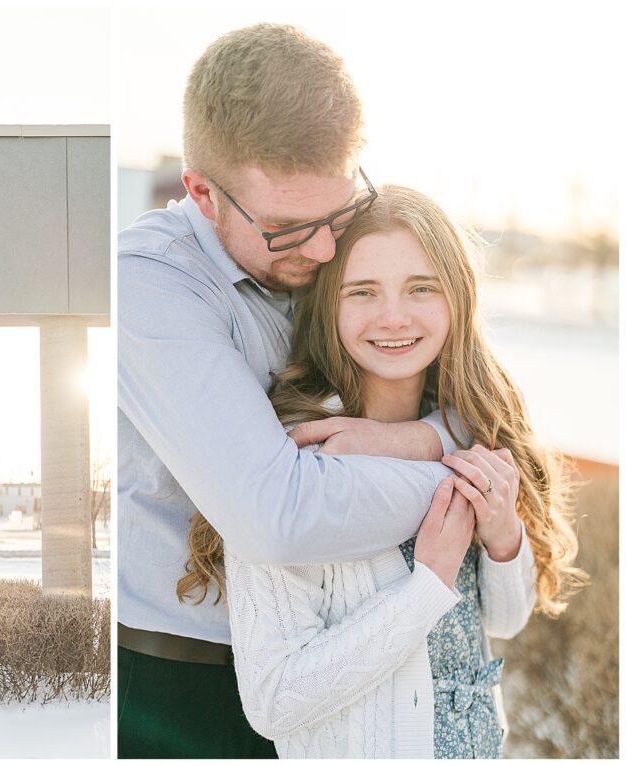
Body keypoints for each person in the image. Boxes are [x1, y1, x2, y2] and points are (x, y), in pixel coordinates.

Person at [118, 24, 474, 758]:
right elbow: (277, 518)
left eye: (337, 214)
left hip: (355, 659)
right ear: (201, 193)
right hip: (184, 681)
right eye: (286, 229)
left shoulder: (330, 238)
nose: (322, 249)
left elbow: (471, 382)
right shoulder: (149, 287)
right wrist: (469, 482)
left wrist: (421, 435)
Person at [180, 185, 583, 757]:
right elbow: (273, 701)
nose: (394, 317)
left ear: (457, 300)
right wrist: (427, 588)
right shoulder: (300, 463)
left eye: (421, 288)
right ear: (330, 306)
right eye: (363, 292)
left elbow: (507, 621)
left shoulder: (468, 435)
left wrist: (502, 539)